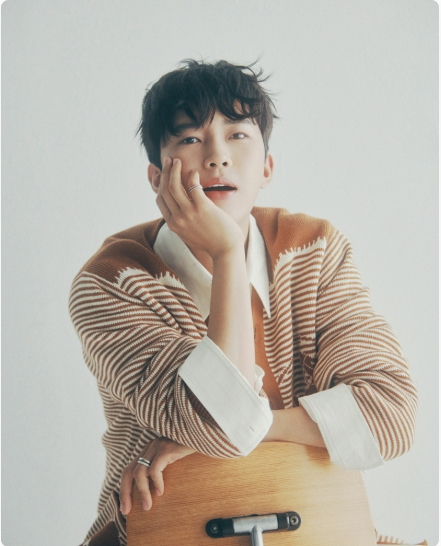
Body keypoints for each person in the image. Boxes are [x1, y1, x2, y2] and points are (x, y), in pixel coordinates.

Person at [69, 59, 418, 546]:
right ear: (156, 176)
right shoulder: (112, 279)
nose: (217, 157)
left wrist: (262, 427)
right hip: (165, 533)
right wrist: (228, 254)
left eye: (237, 135)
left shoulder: (314, 249)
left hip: (319, 528)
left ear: (267, 167)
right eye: (190, 139)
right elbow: (223, 425)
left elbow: (390, 416)